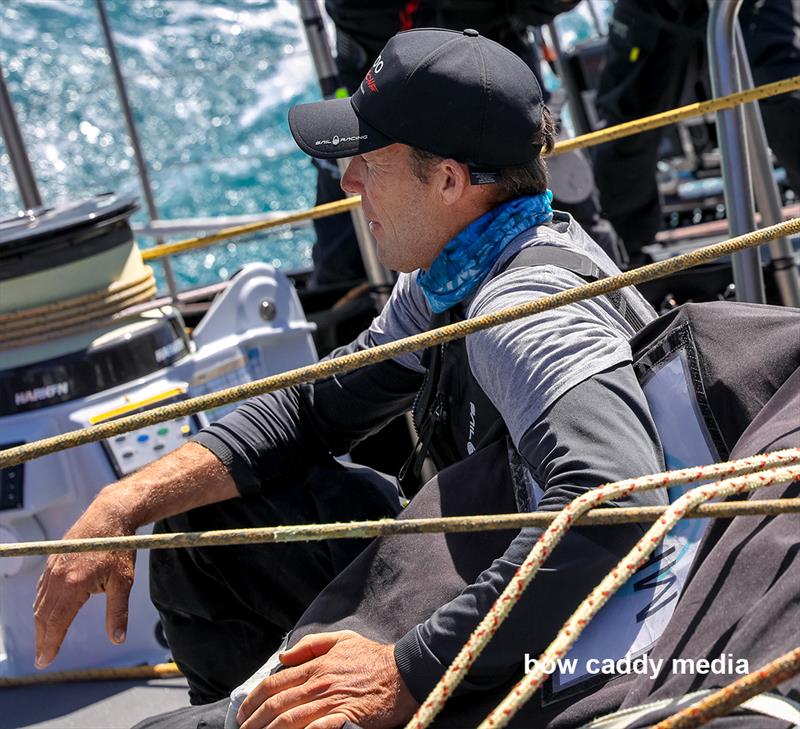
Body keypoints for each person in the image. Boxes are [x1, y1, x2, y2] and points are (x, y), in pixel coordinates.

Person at [34, 29, 667, 728]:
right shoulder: (452, 274)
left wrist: (407, 668)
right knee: (203, 517)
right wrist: (126, 500)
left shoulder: (523, 311)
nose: (347, 181)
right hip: (473, 567)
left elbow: (615, 502)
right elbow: (312, 406)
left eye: (369, 159)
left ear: (449, 179)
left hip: (567, 643)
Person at [311, 0, 580, 285]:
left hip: (499, 94)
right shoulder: (412, 294)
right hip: (378, 89)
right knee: (340, 258)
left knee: (573, 218)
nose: (349, 181)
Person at [591, 0, 800, 263]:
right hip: (655, 8)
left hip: (751, 5)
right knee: (624, 130)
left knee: (788, 98)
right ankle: (624, 266)